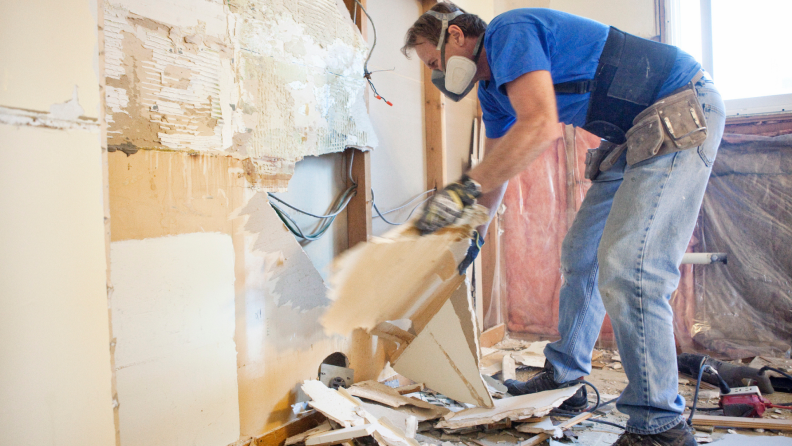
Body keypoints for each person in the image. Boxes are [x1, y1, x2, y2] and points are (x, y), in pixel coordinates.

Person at [401, 3, 725, 446]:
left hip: (681, 104)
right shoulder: (492, 92)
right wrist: (472, 233)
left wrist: (460, 192)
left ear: (455, 36)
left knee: (630, 267)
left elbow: (538, 126)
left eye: (433, 63)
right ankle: (565, 381)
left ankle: (660, 424)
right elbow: (496, 168)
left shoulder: (507, 31)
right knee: (581, 254)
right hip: (634, 133)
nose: (437, 76)